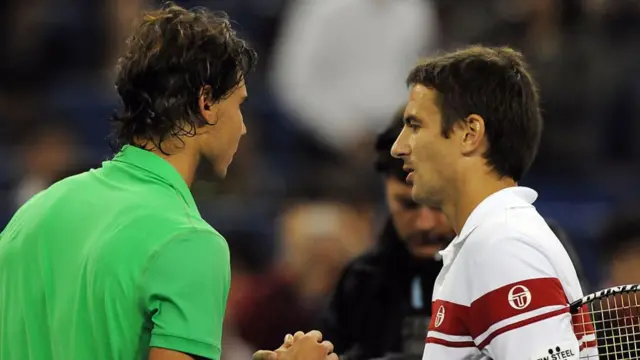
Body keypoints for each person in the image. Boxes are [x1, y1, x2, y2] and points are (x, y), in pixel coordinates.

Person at [0, 3, 334, 360]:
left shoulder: (32, 214)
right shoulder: (189, 241)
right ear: (206, 103)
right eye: (238, 105)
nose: (243, 127)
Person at [391, 45, 596, 359]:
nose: (398, 147)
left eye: (415, 125)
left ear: (470, 133)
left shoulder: (502, 246)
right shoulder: (490, 242)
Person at [320, 106, 456, 360]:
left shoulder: (523, 261)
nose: (425, 223)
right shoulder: (361, 282)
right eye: (408, 205)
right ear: (386, 191)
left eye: (438, 203)